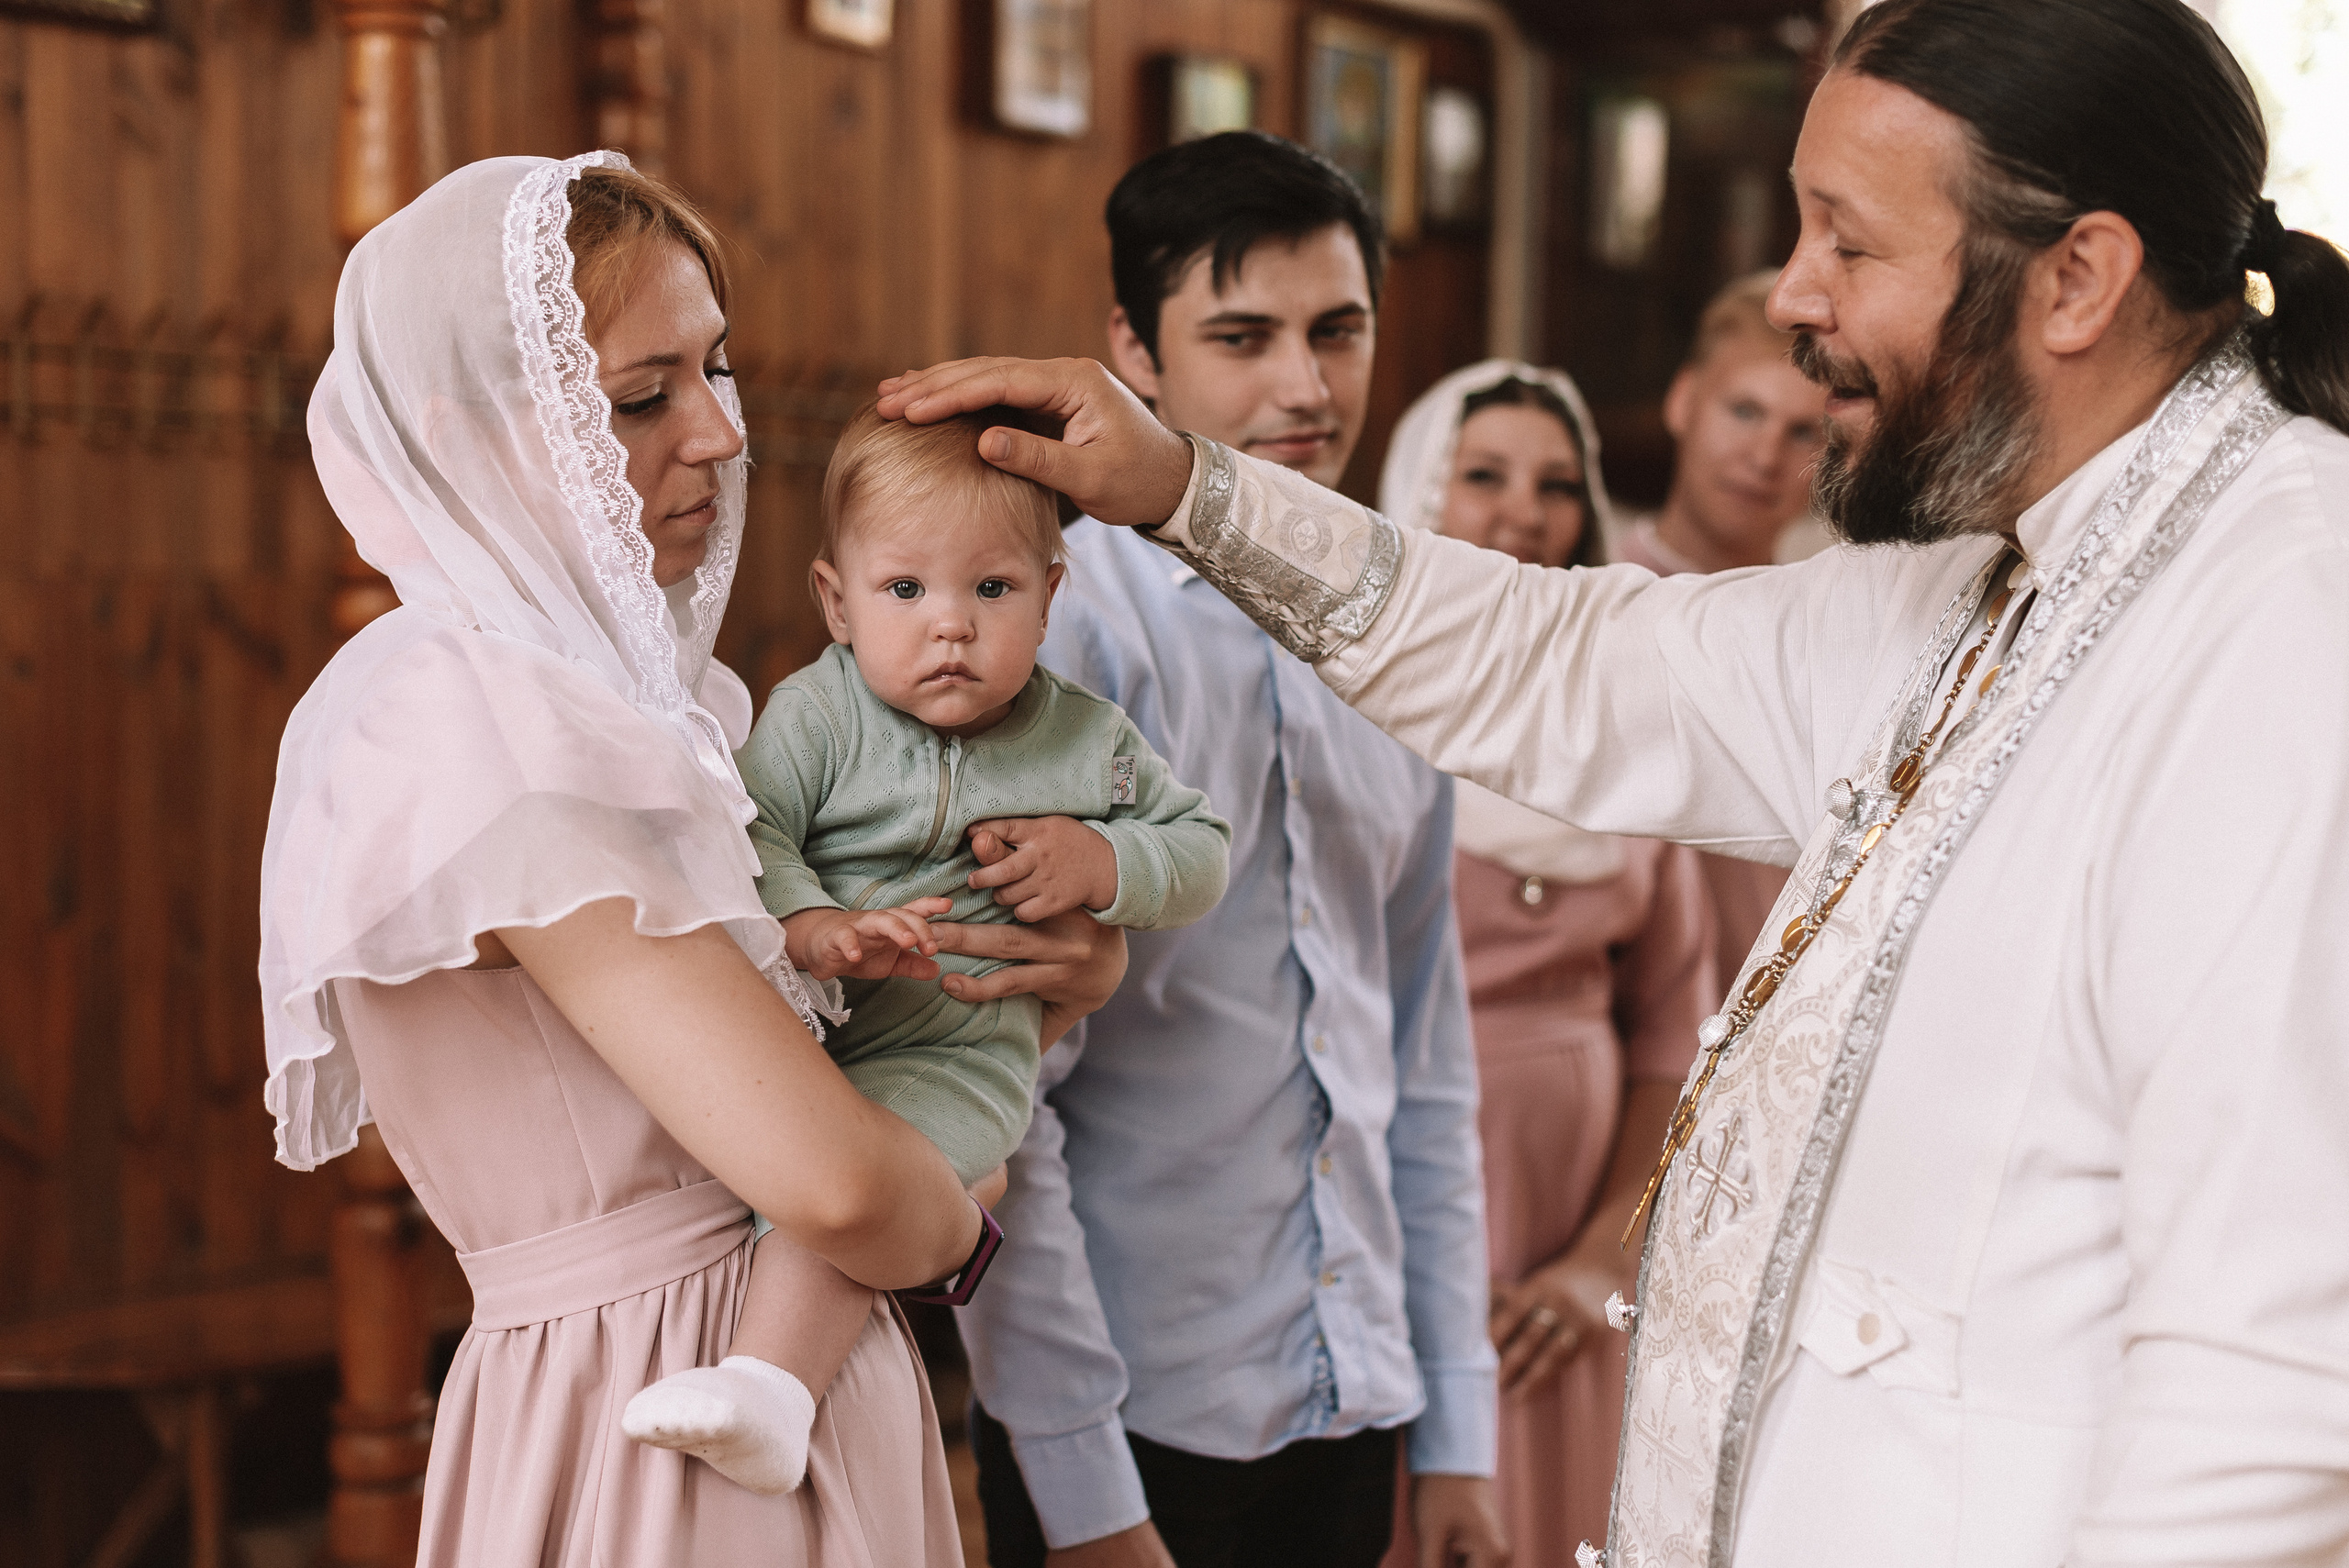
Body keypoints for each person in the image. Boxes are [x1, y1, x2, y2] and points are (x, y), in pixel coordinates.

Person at [875, 0, 2349, 1562]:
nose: (1792, 293)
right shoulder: (1990, 578)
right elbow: (1562, 661)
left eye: (1847, 243)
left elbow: (2272, 1387)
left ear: (2076, 279)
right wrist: (1186, 488)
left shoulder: (2284, 620)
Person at [259, 153, 1126, 1564]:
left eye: (718, 369)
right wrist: (947, 1224)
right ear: (468, 431)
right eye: (640, 395)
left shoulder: (666, 713)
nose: (720, 433)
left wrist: (1053, 988)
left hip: (773, 1369)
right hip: (642, 1404)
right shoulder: (473, 720)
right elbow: (838, 1184)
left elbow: (866, 1101)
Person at [953, 131, 1506, 1568]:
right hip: (1139, 1408)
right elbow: (1000, 1097)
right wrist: (1081, 1489)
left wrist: (1456, 1428)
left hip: (1360, 1392)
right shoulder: (1072, 639)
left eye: (1338, 331)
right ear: (1133, 349)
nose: (1306, 389)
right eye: (1242, 337)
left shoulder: (1407, 642)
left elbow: (1426, 1067)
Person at [622, 405, 1230, 1496]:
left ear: (1051, 597)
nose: (950, 625)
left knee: (870, 1167)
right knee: (789, 1170)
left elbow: (1202, 849)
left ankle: (771, 1385)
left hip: (960, 1053)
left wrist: (1100, 858)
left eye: (991, 589)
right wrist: (816, 925)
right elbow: (752, 835)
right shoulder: (817, 716)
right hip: (807, 1034)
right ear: (836, 600)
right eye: (906, 590)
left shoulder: (1085, 739)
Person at [1375, 361, 1717, 1563]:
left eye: (1557, 484)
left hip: (1575, 1253)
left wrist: (1599, 1261)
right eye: (1484, 476)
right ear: (1423, 490)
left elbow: (1680, 1040)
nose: (1522, 510)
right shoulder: (1359, 723)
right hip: (1398, 1226)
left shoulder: (1623, 733)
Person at [1611, 273, 1829, 990]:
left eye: (1802, 430)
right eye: (1744, 410)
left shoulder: (1828, 631)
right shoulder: (1603, 597)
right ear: (1683, 401)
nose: (1765, 455)